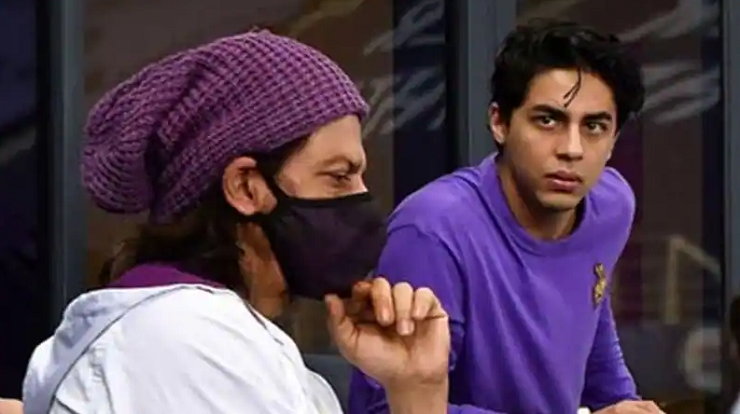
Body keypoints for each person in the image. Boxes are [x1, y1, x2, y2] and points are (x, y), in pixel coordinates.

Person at [21, 30, 450, 414]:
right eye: (338, 177)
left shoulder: (213, 339)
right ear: (245, 187)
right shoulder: (193, 341)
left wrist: (418, 388)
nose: (362, 200)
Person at [349, 19, 663, 414]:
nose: (572, 149)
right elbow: (387, 409)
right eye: (548, 120)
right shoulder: (432, 230)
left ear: (614, 139)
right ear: (499, 122)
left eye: (594, 127)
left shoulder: (611, 205)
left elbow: (592, 322)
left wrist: (622, 402)